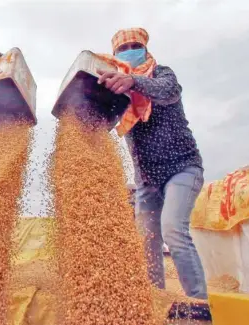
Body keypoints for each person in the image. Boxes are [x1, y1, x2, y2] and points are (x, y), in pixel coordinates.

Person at [97, 28, 208, 299]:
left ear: (146, 49)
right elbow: (103, 117)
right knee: (147, 244)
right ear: (115, 56)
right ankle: (155, 302)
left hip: (182, 168)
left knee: (173, 230)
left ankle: (200, 302)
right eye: (123, 49)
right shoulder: (119, 92)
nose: (129, 52)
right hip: (146, 179)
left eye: (135, 46)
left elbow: (167, 91)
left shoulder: (162, 75)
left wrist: (132, 81)